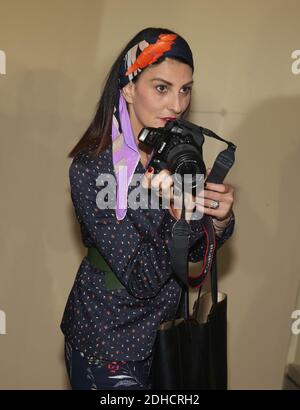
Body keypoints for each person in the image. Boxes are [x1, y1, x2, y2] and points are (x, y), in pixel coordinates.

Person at [61, 27, 235, 390]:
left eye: (185, 89)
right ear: (128, 88)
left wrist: (218, 221)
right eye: (162, 88)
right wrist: (176, 212)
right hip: (110, 337)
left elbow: (197, 249)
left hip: (167, 334)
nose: (177, 104)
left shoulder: (176, 150)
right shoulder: (93, 167)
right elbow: (142, 276)